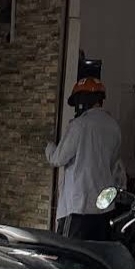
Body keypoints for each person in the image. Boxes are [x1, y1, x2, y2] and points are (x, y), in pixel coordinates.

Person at [45, 75, 124, 241]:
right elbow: (113, 164)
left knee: (69, 251)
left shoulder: (80, 125)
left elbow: (58, 159)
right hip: (104, 209)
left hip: (78, 208)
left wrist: (49, 147)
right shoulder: (114, 126)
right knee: (95, 252)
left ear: (83, 101)